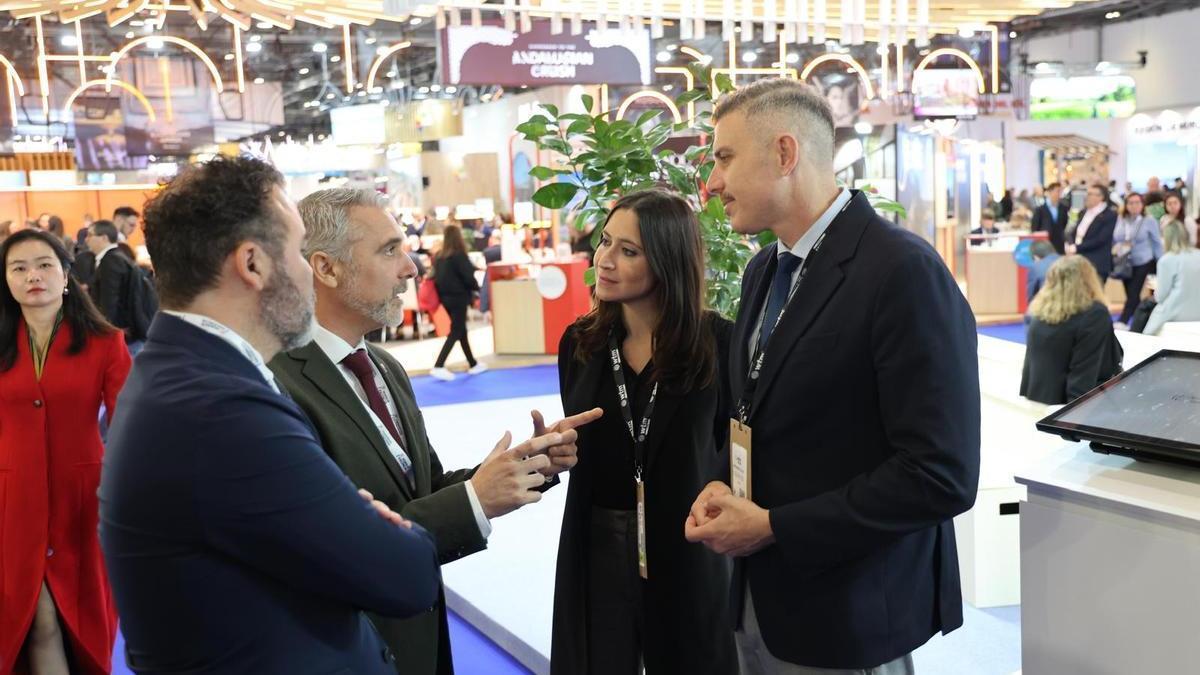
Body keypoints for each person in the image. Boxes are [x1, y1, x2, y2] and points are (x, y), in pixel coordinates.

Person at [99, 156, 442, 674]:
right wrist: (377, 524)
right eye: (299, 251)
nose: (309, 271)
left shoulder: (187, 376)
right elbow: (406, 574)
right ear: (253, 264)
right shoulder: (218, 411)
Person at [686, 78, 980, 674]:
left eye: (723, 157)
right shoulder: (764, 269)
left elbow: (940, 473)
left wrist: (774, 527)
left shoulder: (901, 271)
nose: (711, 183)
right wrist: (724, 485)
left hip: (849, 613)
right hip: (759, 602)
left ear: (785, 153)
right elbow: (761, 414)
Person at [269, 188, 598, 675]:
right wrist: (475, 501)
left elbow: (422, 487)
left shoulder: (383, 367)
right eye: (389, 250)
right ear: (326, 268)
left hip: (416, 643)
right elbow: (333, 551)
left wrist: (525, 467)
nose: (411, 268)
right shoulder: (277, 385)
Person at [552, 190, 736, 675]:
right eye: (606, 242)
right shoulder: (581, 343)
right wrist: (552, 455)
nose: (605, 261)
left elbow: (737, 456)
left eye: (628, 251)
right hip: (597, 542)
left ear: (668, 261)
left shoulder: (718, 344)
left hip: (688, 548)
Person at [0, 229, 130, 675]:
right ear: (6, 281)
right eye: (18, 268)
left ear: (66, 275)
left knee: (80, 619)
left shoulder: (104, 342)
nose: (32, 275)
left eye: (44, 265)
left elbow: (130, 424)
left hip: (83, 502)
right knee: (36, 619)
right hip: (11, 502)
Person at [1020, 256, 1123, 404]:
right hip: (1075, 406)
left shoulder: (1039, 313)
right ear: (1089, 280)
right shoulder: (1094, 314)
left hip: (1040, 399)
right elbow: (1084, 373)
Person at [430, 225, 484, 381]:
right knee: (456, 331)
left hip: (445, 299)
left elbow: (437, 279)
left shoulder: (439, 256)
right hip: (459, 298)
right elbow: (468, 277)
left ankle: (473, 363)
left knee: (461, 330)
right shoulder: (459, 255)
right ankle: (438, 365)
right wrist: (476, 288)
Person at [1111, 192, 1162, 325]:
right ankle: (1143, 320)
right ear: (1126, 205)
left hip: (1143, 260)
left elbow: (1156, 242)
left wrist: (1161, 262)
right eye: (1131, 203)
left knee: (1133, 292)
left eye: (1137, 202)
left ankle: (1122, 321)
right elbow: (1115, 237)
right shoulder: (1121, 219)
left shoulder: (1149, 220)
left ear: (1142, 204)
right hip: (1125, 261)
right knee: (1131, 295)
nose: (1134, 206)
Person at [1141, 221, 1200, 335]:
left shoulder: (1167, 260)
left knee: (1144, 309)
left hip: (1178, 311)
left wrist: (1156, 287)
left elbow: (1161, 297)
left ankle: (1135, 345)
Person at [83, 220, 137, 344]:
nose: (86, 239)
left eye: (90, 235)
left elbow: (110, 302)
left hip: (120, 335)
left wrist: (105, 334)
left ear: (104, 238)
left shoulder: (111, 261)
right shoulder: (114, 257)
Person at [1066, 184, 1117, 279]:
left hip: (1097, 262)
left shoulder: (1109, 215)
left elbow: (1101, 239)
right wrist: (1070, 244)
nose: (1086, 196)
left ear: (1101, 197)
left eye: (1090, 194)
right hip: (1079, 259)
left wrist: (1077, 248)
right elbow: (1074, 232)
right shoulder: (1084, 212)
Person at [1033, 182, 1070, 254]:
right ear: (1050, 192)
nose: (1059, 194)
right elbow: (1035, 227)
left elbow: (1064, 222)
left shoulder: (1063, 208)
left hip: (1059, 243)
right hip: (1045, 242)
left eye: (1061, 191)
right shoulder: (1040, 209)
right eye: (1057, 191)